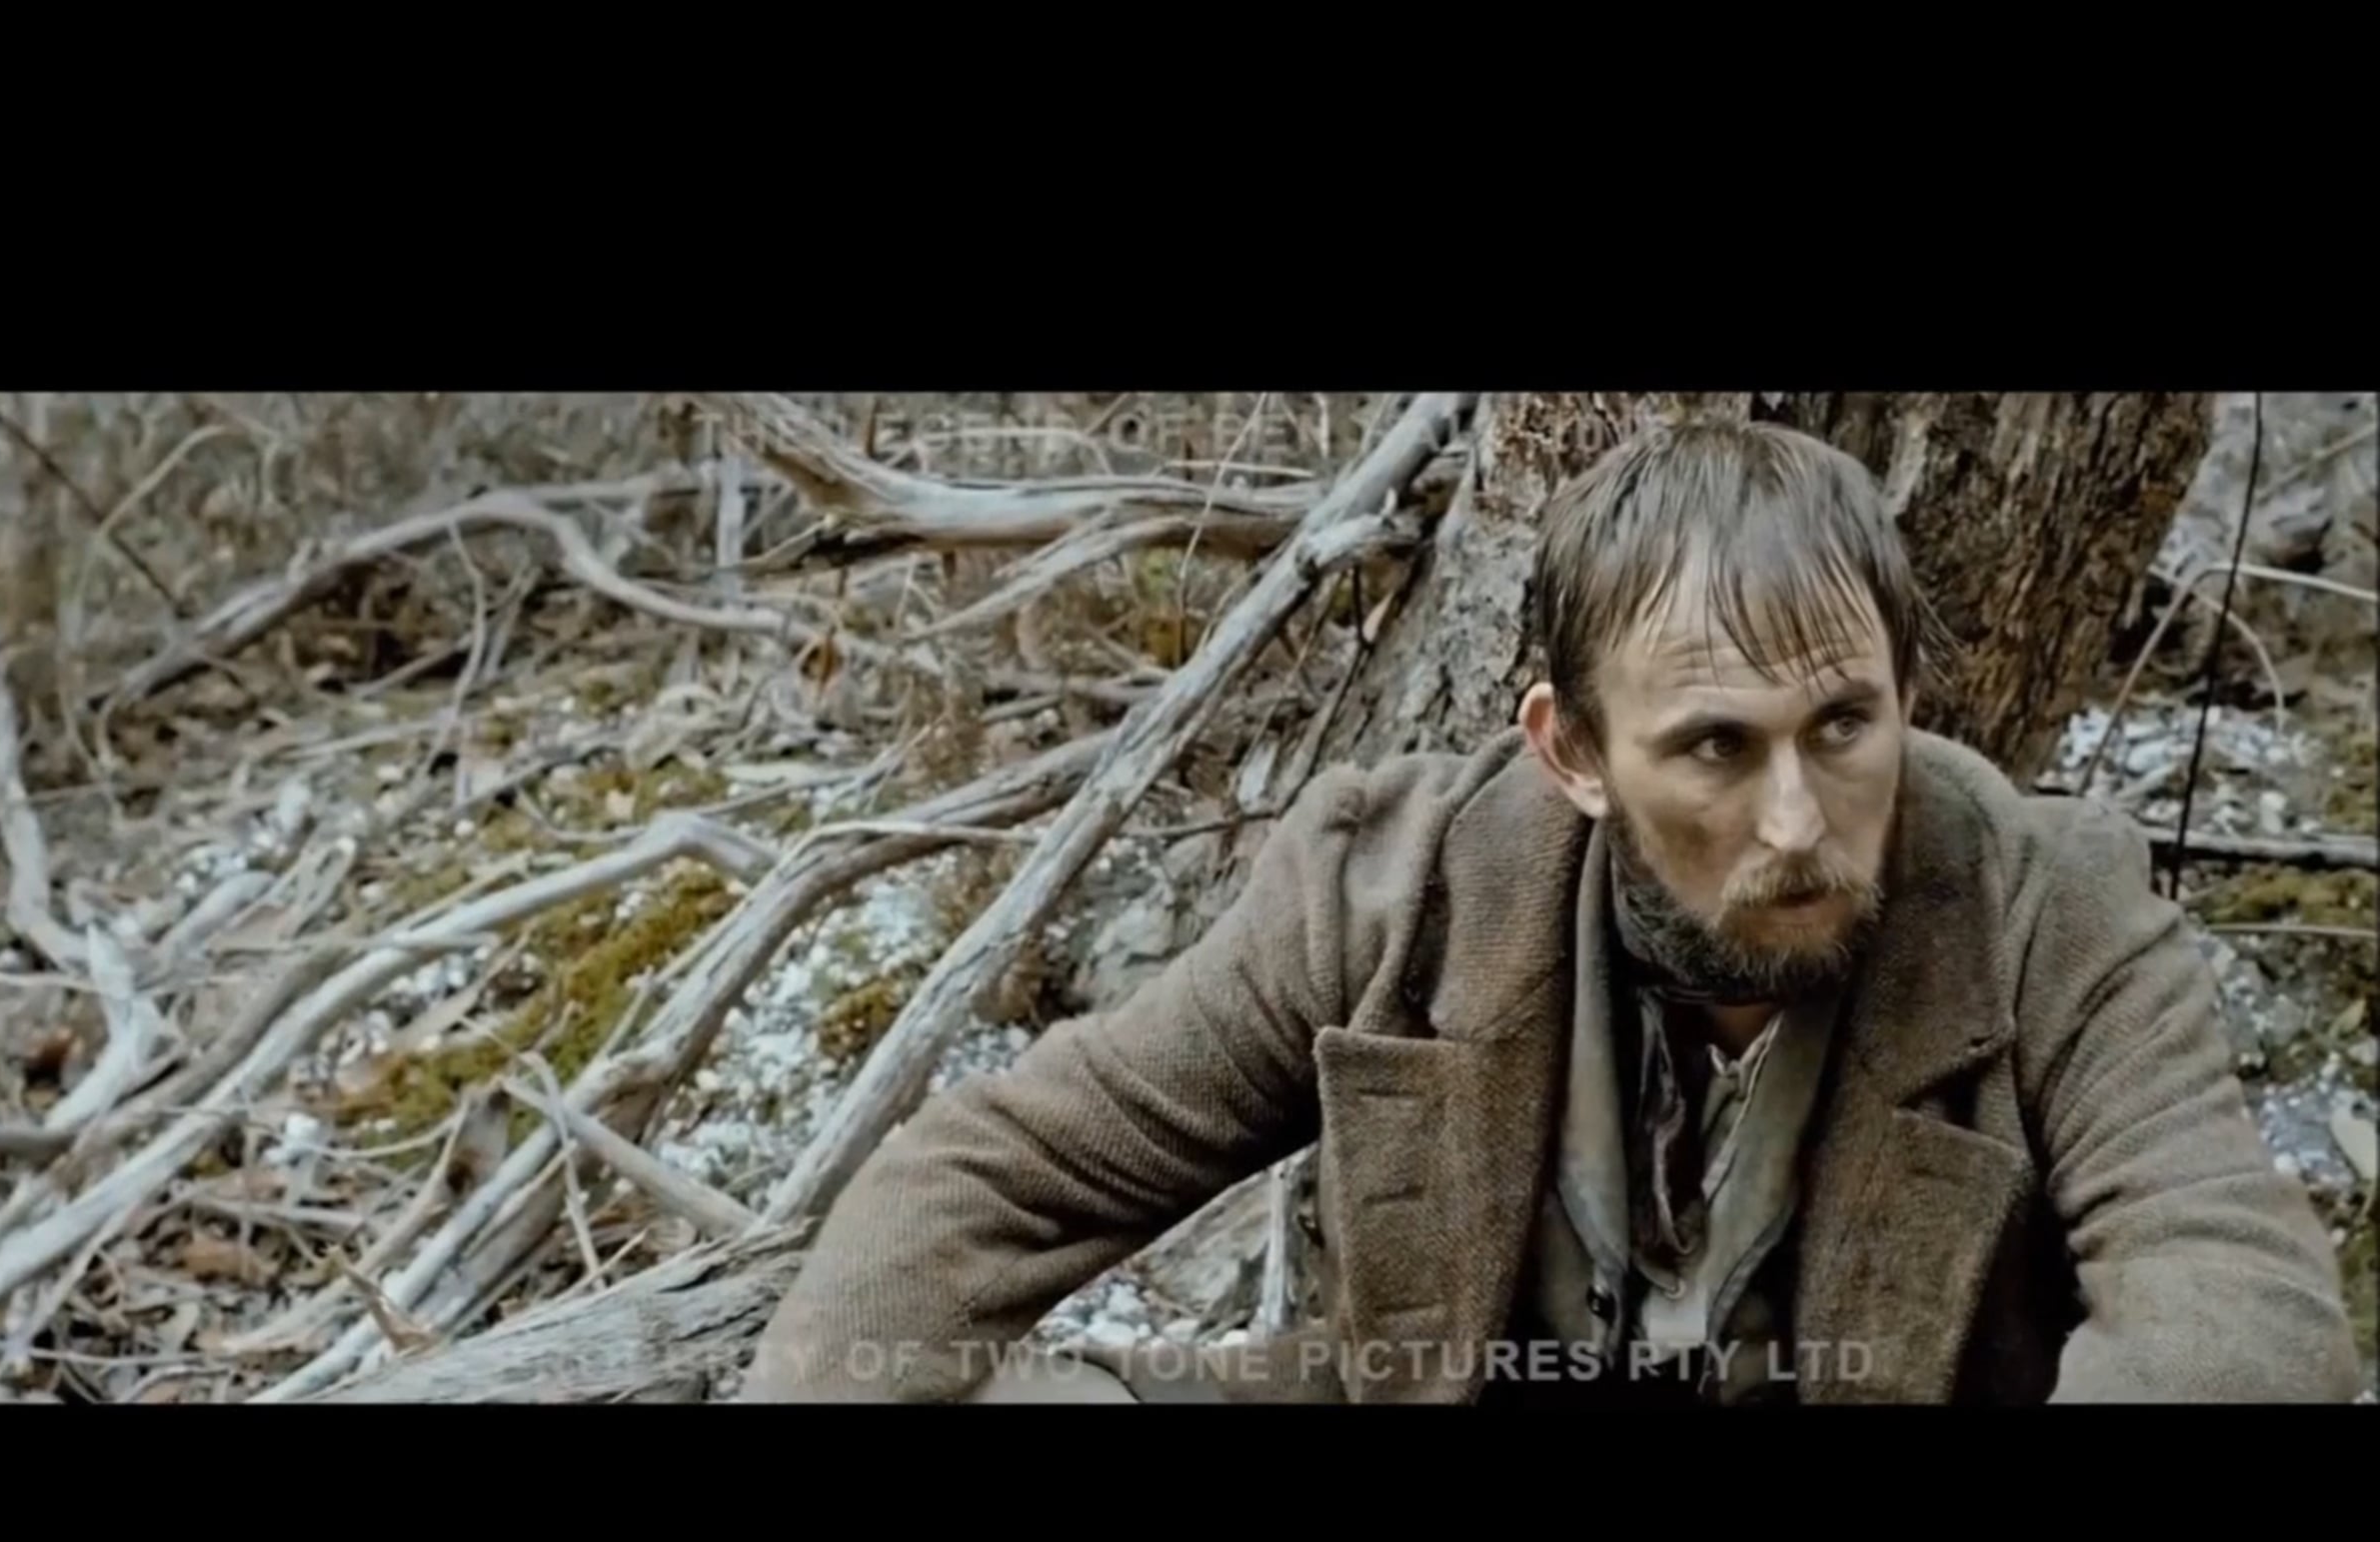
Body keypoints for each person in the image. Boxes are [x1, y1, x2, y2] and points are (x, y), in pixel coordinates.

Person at [739, 416, 2362, 1406]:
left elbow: (2235, 1296)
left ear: (1906, 697)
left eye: (1842, 727)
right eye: (1715, 747)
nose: (1796, 821)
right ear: (1571, 750)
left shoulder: (2047, 902)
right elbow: (1003, 1171)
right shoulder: (1391, 884)